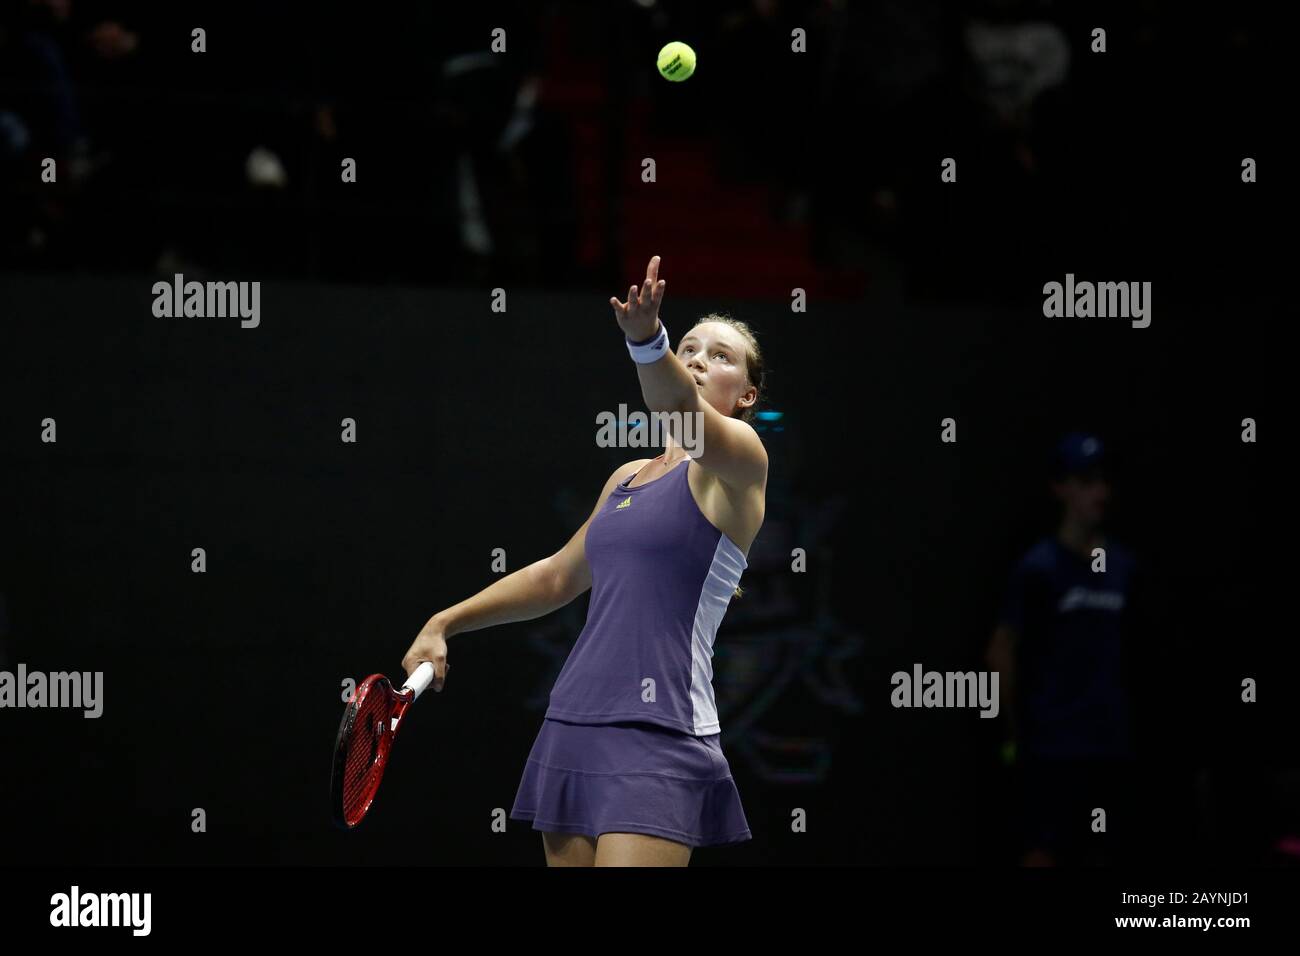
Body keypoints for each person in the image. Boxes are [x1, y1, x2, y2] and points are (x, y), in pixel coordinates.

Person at [402, 255, 768, 866]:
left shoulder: (740, 466)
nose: (700, 360)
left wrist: (650, 343)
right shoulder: (626, 477)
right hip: (574, 723)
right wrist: (445, 621)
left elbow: (679, 413)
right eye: (690, 347)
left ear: (747, 394)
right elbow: (555, 577)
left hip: (662, 734)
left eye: (721, 356)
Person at [986, 432, 1139, 866]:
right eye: (1086, 480)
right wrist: (1014, 732)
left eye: (1103, 480)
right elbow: (1001, 652)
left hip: (1112, 746)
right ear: (1061, 487)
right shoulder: (1037, 568)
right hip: (1053, 748)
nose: (1099, 492)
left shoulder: (1125, 566)